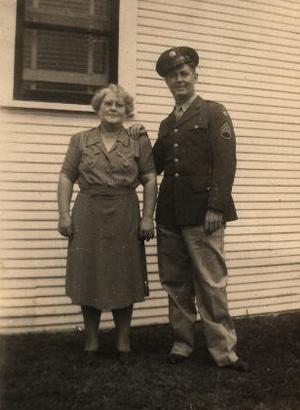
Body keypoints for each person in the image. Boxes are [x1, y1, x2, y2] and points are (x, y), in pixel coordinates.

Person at [132, 46, 249, 371]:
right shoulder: (167, 123)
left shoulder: (214, 112)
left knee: (211, 282)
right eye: (173, 75)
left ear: (195, 75)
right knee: (175, 282)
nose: (179, 79)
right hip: (169, 214)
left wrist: (217, 207)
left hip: (203, 214)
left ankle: (224, 351)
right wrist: (137, 141)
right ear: (167, 82)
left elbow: (226, 162)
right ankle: (182, 344)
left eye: (184, 73)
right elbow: (153, 165)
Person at [57, 84, 157, 364]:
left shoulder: (138, 141)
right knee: (90, 274)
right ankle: (91, 340)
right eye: (107, 104)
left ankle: (123, 341)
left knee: (124, 275)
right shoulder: (79, 140)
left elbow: (149, 178)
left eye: (119, 105)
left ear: (127, 111)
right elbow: (66, 176)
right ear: (98, 109)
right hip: (88, 212)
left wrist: (148, 216)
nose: (113, 108)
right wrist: (63, 214)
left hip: (125, 210)